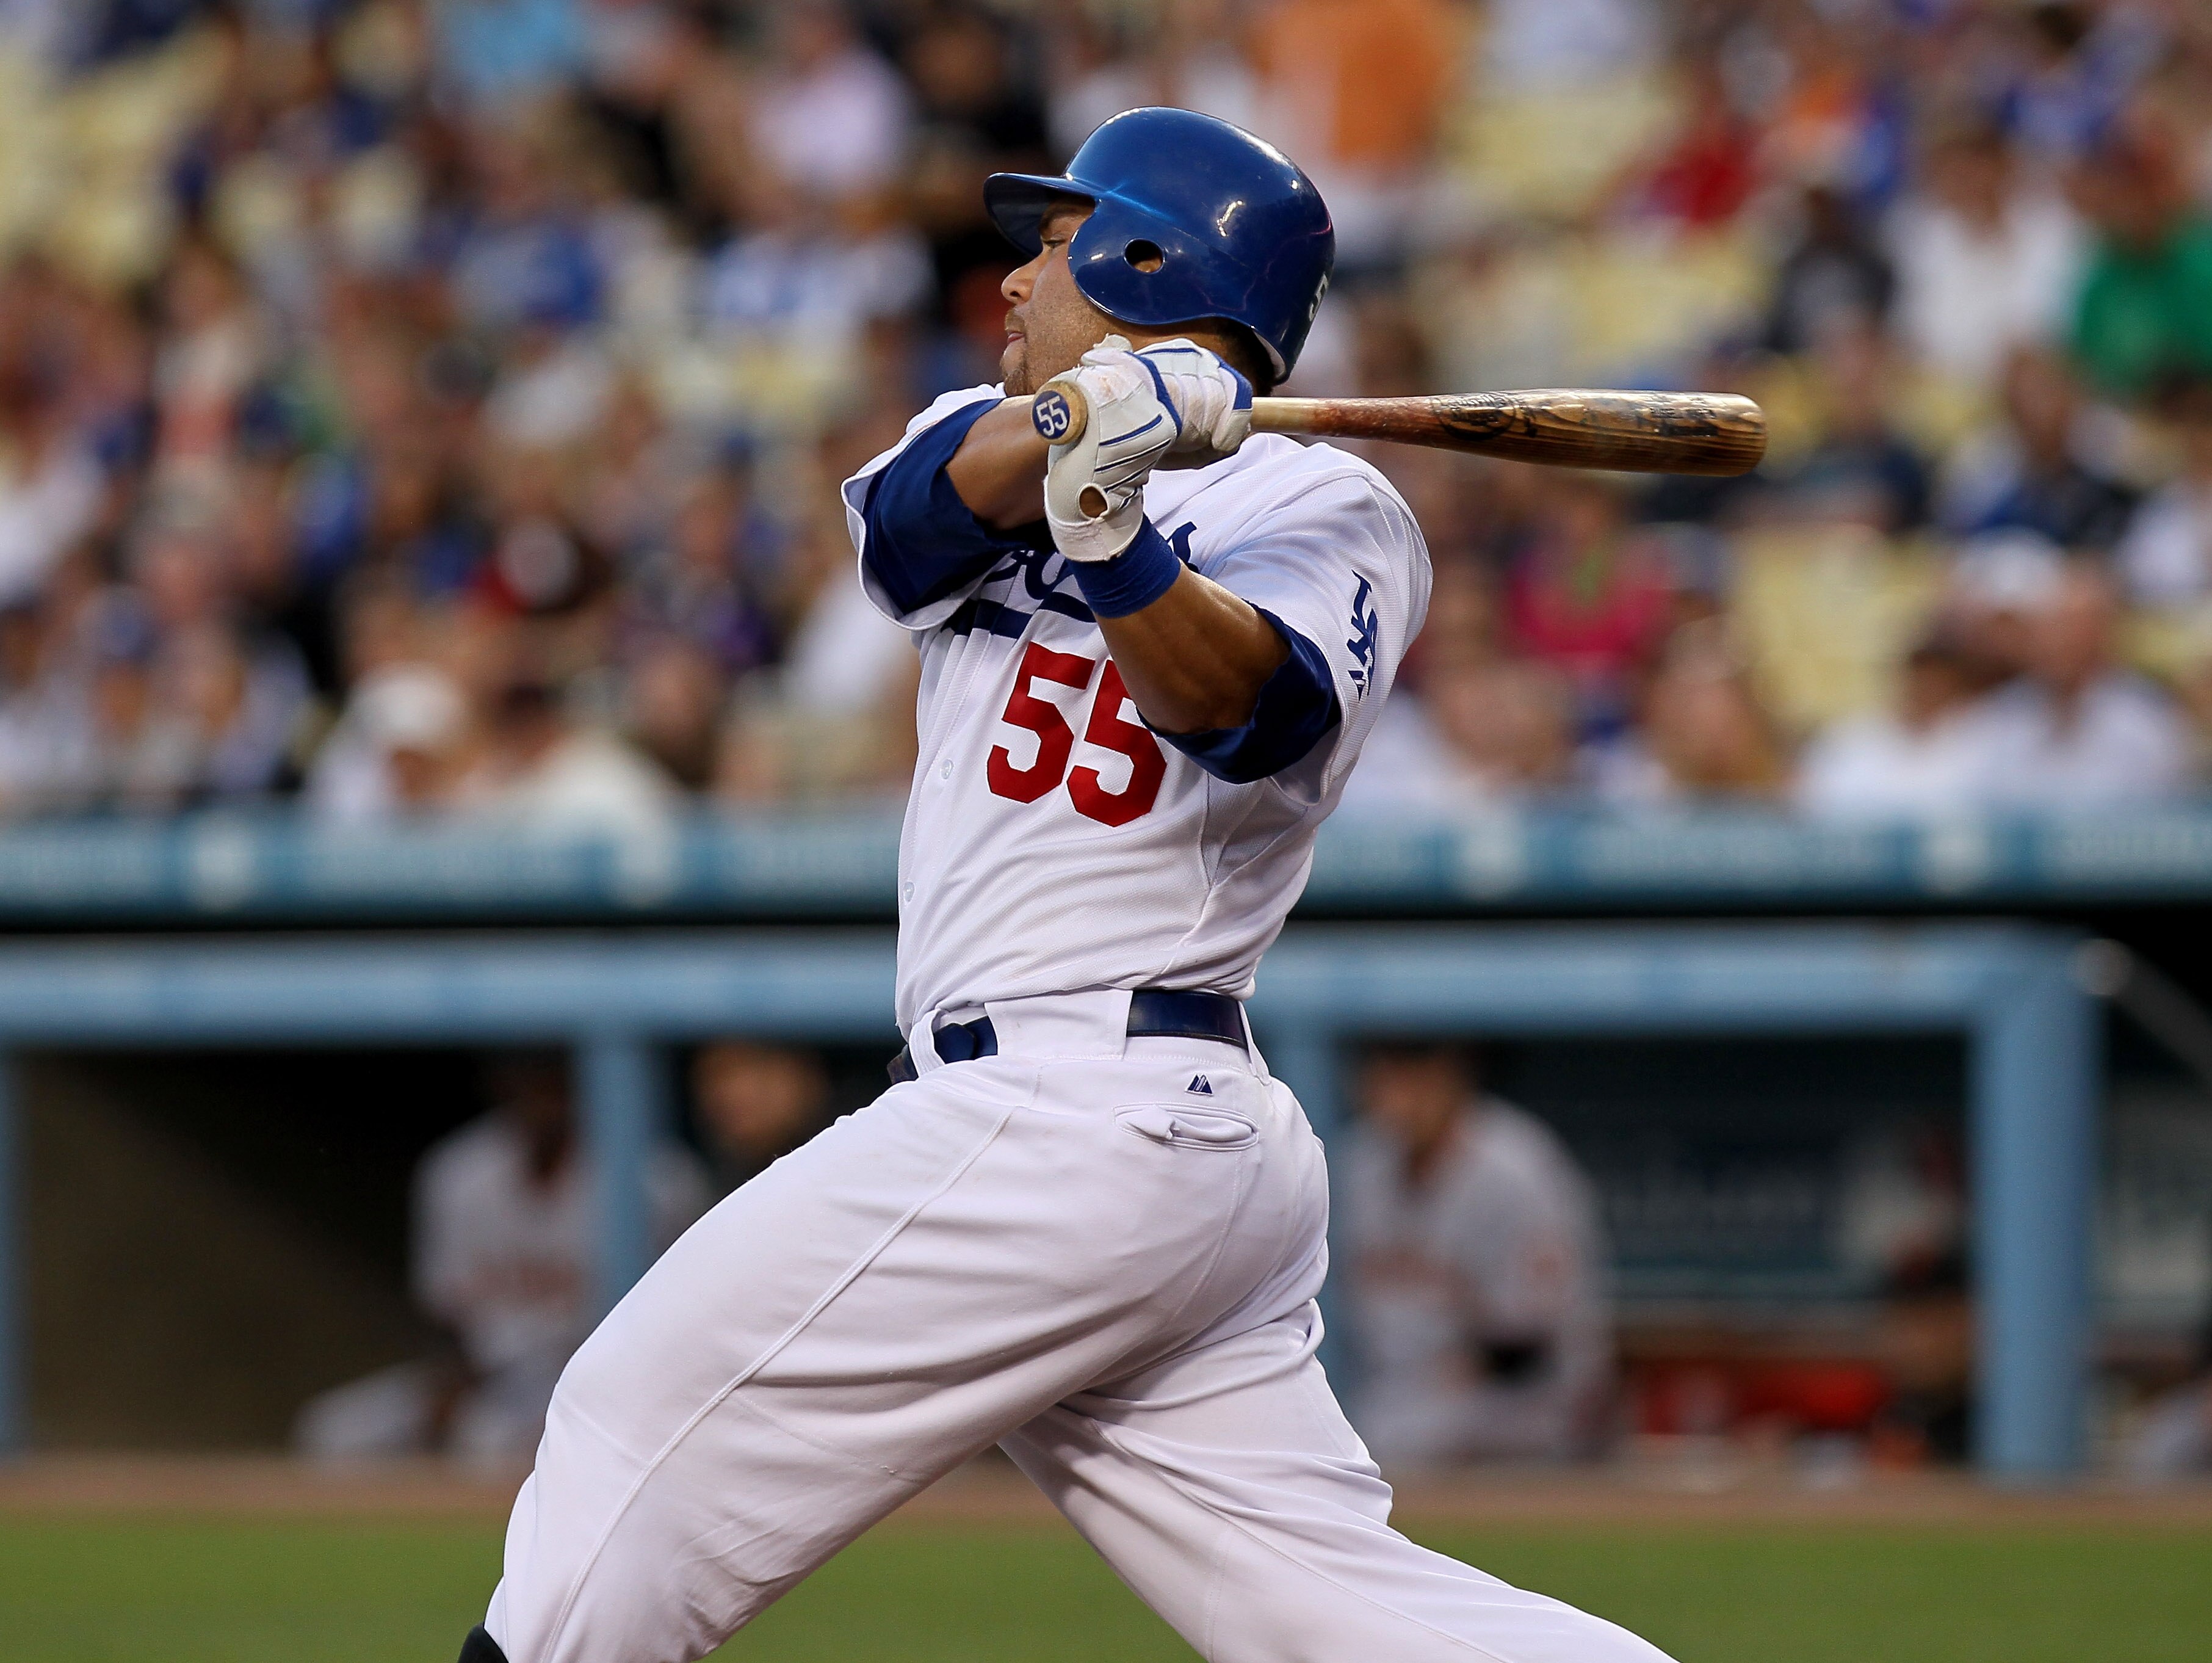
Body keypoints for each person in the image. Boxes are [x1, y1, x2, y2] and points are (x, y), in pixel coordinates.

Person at [455, 109, 1674, 1663]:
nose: (1016, 278)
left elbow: (1253, 715)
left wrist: (1117, 537)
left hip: (1088, 1102)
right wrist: (1077, 435)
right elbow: (906, 534)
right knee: (1336, 1615)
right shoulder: (983, 420)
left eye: (1053, 239)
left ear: (1143, 257)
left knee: (630, 1418)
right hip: (1123, 1148)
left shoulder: (1332, 509)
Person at [296, 1051, 709, 1465]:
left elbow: (681, 1318)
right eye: (527, 1079)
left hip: (593, 1376)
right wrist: (450, 1385)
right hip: (486, 1373)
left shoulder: (657, 1174)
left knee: (487, 1441)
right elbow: (444, 1311)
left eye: (553, 1080)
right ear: (501, 1084)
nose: (540, 1095)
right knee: (333, 1430)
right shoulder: (459, 1171)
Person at [1342, 1042, 1612, 1466]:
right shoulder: (1357, 1165)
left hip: (1517, 1402)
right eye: (1387, 1077)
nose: (1399, 1095)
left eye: (1415, 1078)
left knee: (1402, 1435)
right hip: (1398, 1398)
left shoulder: (1517, 1169)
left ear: (1452, 1079)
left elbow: (1532, 1344)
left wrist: (1454, 1372)